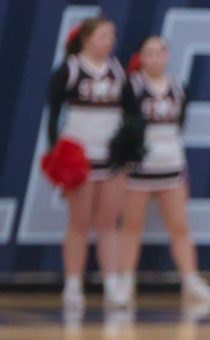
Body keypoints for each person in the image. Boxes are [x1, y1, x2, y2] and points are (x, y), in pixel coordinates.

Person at [118, 37, 210, 307]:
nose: (154, 58)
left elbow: (179, 124)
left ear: (167, 56)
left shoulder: (177, 87)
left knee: (180, 227)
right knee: (131, 227)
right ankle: (125, 282)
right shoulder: (133, 86)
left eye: (159, 53)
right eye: (148, 53)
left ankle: (190, 280)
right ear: (141, 57)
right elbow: (125, 125)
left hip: (171, 166)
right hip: (139, 169)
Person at [46, 16, 126, 311]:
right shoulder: (70, 69)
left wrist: (125, 151)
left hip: (111, 157)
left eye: (112, 35)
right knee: (79, 224)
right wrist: (56, 153)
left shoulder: (117, 70)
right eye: (104, 35)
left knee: (109, 224)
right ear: (87, 39)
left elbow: (128, 115)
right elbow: (53, 115)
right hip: (80, 155)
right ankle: (73, 285)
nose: (110, 41)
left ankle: (113, 285)